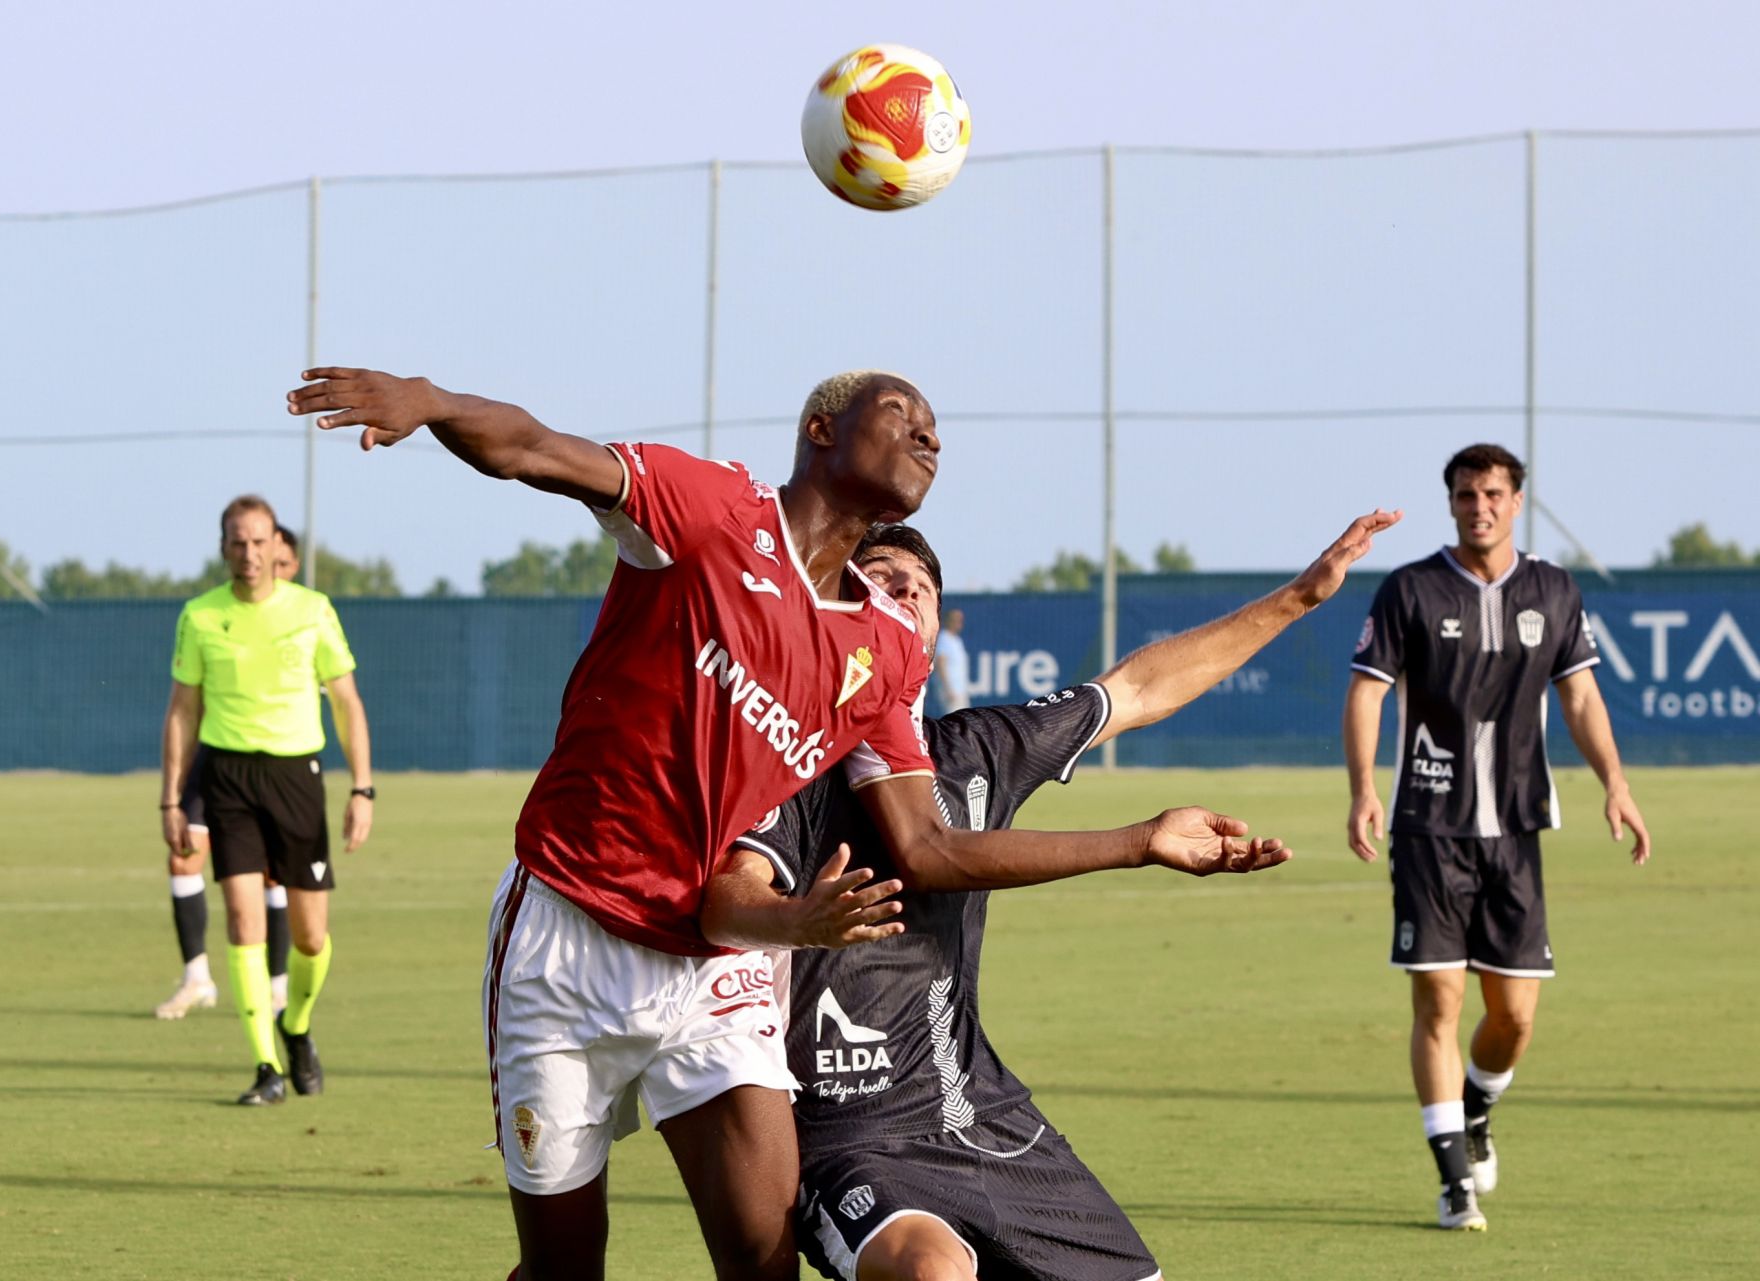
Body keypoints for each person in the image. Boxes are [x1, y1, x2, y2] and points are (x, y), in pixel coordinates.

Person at [284, 365, 1289, 1281]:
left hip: (711, 965)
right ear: (821, 429)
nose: (928, 438)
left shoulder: (884, 649)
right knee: (563, 1272)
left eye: (937, 430)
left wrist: (1138, 840)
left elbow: (928, 847)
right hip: (567, 935)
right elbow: (536, 449)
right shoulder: (715, 508)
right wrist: (432, 402)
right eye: (902, 416)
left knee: (763, 1265)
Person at [703, 510, 1395, 1281]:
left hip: (991, 1120)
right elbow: (728, 894)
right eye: (883, 578)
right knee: (930, 1274)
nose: (903, 592)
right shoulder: (791, 758)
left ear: (931, 634)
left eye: (921, 587)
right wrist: (799, 920)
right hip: (857, 1134)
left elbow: (1136, 688)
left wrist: (1299, 597)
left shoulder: (977, 751)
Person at [1343, 442, 1650, 1232]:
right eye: (1465, 494)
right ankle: (1454, 1182)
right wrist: (1363, 789)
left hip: (1516, 830)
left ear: (1517, 501)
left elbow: (1580, 695)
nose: (1478, 506)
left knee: (1512, 1017)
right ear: (1450, 502)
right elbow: (1367, 692)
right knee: (1439, 998)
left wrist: (1615, 781)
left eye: (1492, 494)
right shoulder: (1411, 588)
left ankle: (1477, 1105)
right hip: (1427, 827)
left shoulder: (1553, 588)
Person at [160, 496, 375, 1105]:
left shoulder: (313, 611)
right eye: (237, 543)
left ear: (278, 545)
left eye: (259, 542)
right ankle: (264, 1066)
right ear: (223, 547)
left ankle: (297, 1028)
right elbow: (181, 710)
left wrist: (362, 787)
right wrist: (172, 798)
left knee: (310, 938)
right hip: (227, 780)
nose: (249, 554)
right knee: (243, 922)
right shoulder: (200, 616)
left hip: (296, 780)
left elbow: (347, 702)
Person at [153, 523, 301, 1020]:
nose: (257, 562)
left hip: (276, 768)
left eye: (273, 556)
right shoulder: (212, 613)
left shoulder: (302, 616)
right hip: (214, 759)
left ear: (290, 563)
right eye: (246, 548)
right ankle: (197, 977)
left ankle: (277, 986)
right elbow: (184, 702)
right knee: (184, 859)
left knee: (271, 877)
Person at [933, 608, 970, 713]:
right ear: (948, 620)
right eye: (955, 620)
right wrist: (948, 689)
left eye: (960, 620)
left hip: (960, 690)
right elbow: (940, 664)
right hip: (951, 690)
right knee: (954, 724)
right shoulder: (944, 639)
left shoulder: (957, 640)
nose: (959, 623)